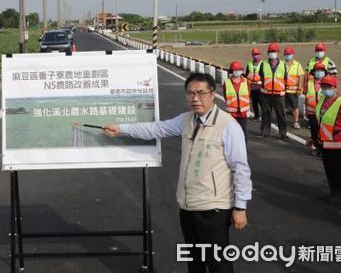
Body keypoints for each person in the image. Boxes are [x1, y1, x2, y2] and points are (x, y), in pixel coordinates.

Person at [103, 73, 251, 273]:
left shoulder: (228, 126)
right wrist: (121, 129)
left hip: (214, 208)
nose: (195, 98)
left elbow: (240, 167)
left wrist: (240, 207)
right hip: (188, 206)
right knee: (194, 261)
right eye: (190, 93)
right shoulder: (186, 120)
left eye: (201, 93)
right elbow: (156, 129)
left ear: (212, 95)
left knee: (218, 263)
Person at [315, 75, 341, 204]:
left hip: (340, 144)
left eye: (328, 87)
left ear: (335, 87)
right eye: (323, 86)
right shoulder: (322, 99)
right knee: (328, 167)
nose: (325, 89)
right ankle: (333, 190)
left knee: (338, 168)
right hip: (327, 142)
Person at [258, 43, 288, 141]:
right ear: (268, 53)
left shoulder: (283, 64)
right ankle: (264, 132)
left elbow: (286, 78)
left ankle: (283, 133)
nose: (272, 53)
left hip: (279, 95)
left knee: (281, 114)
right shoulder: (263, 64)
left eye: (274, 51)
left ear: (278, 52)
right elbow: (261, 76)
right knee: (266, 114)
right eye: (271, 51)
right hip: (266, 94)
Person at [304, 62, 327, 157]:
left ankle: (323, 149)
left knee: (323, 132)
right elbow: (306, 96)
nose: (319, 72)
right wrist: (306, 110)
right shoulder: (309, 82)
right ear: (314, 71)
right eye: (317, 70)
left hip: (323, 113)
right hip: (312, 112)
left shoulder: (327, 83)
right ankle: (317, 147)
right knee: (314, 131)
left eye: (321, 70)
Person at [224, 61, 250, 142]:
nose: (237, 71)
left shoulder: (246, 82)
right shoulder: (227, 83)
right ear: (231, 71)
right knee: (232, 133)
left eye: (239, 69)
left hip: (243, 112)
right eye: (235, 70)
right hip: (232, 114)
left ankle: (244, 149)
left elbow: (249, 93)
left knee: (244, 131)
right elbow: (225, 96)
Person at [283, 47, 305, 129]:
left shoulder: (297, 65)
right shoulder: (282, 64)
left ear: (293, 55)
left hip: (293, 90)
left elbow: (301, 77)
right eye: (286, 54)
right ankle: (283, 121)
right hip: (283, 90)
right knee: (283, 107)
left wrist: (299, 88)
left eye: (289, 54)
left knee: (295, 107)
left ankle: (296, 122)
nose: (287, 56)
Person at [245, 48, 263, 121]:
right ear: (252, 55)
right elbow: (246, 74)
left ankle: (265, 116)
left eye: (257, 54)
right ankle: (256, 116)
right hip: (252, 87)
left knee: (262, 103)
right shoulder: (249, 64)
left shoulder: (263, 64)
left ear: (260, 55)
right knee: (254, 103)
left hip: (260, 87)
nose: (256, 56)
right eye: (254, 54)